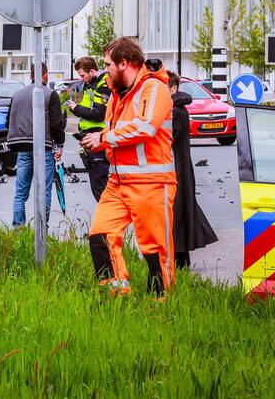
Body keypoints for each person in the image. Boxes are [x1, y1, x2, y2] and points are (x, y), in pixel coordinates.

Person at [81, 38, 175, 298]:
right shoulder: (117, 94)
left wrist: (103, 138)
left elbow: (145, 127)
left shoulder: (153, 88)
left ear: (124, 63)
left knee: (155, 250)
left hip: (152, 183)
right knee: (100, 236)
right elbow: (116, 132)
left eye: (109, 64)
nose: (105, 69)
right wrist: (97, 140)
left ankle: (161, 305)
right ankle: (117, 299)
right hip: (118, 182)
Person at [166, 71, 218, 269]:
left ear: (173, 88)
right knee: (180, 210)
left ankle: (179, 261)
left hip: (177, 167)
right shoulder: (175, 108)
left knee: (178, 211)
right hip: (179, 166)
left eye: (163, 88)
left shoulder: (175, 111)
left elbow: (169, 139)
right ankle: (179, 260)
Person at [5, 63, 66, 228]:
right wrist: (60, 144)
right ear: (45, 75)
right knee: (44, 191)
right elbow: (56, 124)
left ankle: (18, 228)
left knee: (20, 191)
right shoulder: (50, 94)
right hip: (43, 148)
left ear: (31, 75)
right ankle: (41, 229)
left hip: (23, 148)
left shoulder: (17, 95)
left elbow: (8, 121)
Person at [65, 56, 112, 201]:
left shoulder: (103, 85)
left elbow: (99, 114)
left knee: (99, 183)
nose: (81, 78)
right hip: (89, 136)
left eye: (83, 75)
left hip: (98, 136)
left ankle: (107, 218)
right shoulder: (90, 84)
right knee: (95, 182)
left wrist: (76, 108)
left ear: (92, 71)